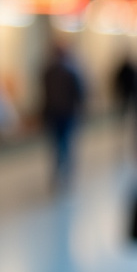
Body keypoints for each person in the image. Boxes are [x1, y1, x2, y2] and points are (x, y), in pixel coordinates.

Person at [40, 44, 84, 184]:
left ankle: (60, 167)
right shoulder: (71, 71)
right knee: (65, 142)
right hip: (66, 113)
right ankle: (65, 168)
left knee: (57, 143)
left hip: (54, 113)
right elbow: (79, 93)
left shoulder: (48, 71)